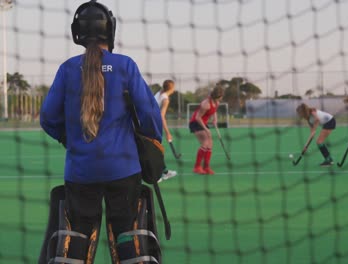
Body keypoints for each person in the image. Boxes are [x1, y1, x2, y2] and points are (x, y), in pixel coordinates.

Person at [39, 0, 162, 262]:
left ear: (78, 32)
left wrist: (68, 138)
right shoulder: (125, 65)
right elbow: (150, 114)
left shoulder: (67, 68)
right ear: (111, 30)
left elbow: (48, 117)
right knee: (129, 238)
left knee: (76, 246)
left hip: (80, 172)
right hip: (124, 169)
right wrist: (154, 143)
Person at [189, 84, 224, 175]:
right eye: (221, 96)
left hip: (203, 123)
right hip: (196, 122)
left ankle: (206, 167)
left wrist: (215, 119)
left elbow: (214, 111)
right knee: (205, 142)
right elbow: (197, 117)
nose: (222, 97)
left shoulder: (217, 102)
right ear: (218, 95)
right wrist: (206, 129)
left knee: (210, 145)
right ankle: (197, 167)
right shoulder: (206, 104)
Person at [154, 79, 177, 181]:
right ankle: (158, 175)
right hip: (154, 124)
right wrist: (168, 133)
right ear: (171, 88)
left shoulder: (159, 93)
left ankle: (164, 172)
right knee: (157, 150)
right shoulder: (165, 99)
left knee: (156, 150)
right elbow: (161, 116)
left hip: (148, 121)